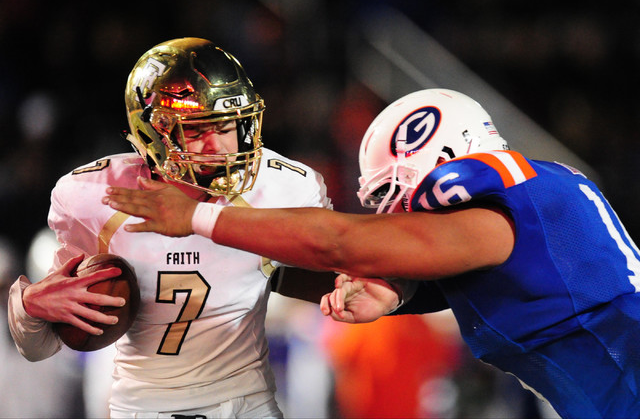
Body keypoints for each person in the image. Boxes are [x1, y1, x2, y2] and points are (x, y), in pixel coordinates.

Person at [103, 88, 640, 418]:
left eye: (391, 196)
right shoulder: (507, 228)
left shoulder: (508, 205)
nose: (393, 215)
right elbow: (331, 268)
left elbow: (340, 241)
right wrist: (394, 291)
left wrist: (200, 218)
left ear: (445, 161)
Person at [8, 37, 334, 418]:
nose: (219, 145)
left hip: (247, 407)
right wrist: (29, 306)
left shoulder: (283, 187)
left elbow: (338, 275)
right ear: (154, 133)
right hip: (142, 409)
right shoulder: (94, 197)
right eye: (197, 130)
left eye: (228, 125)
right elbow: (40, 347)